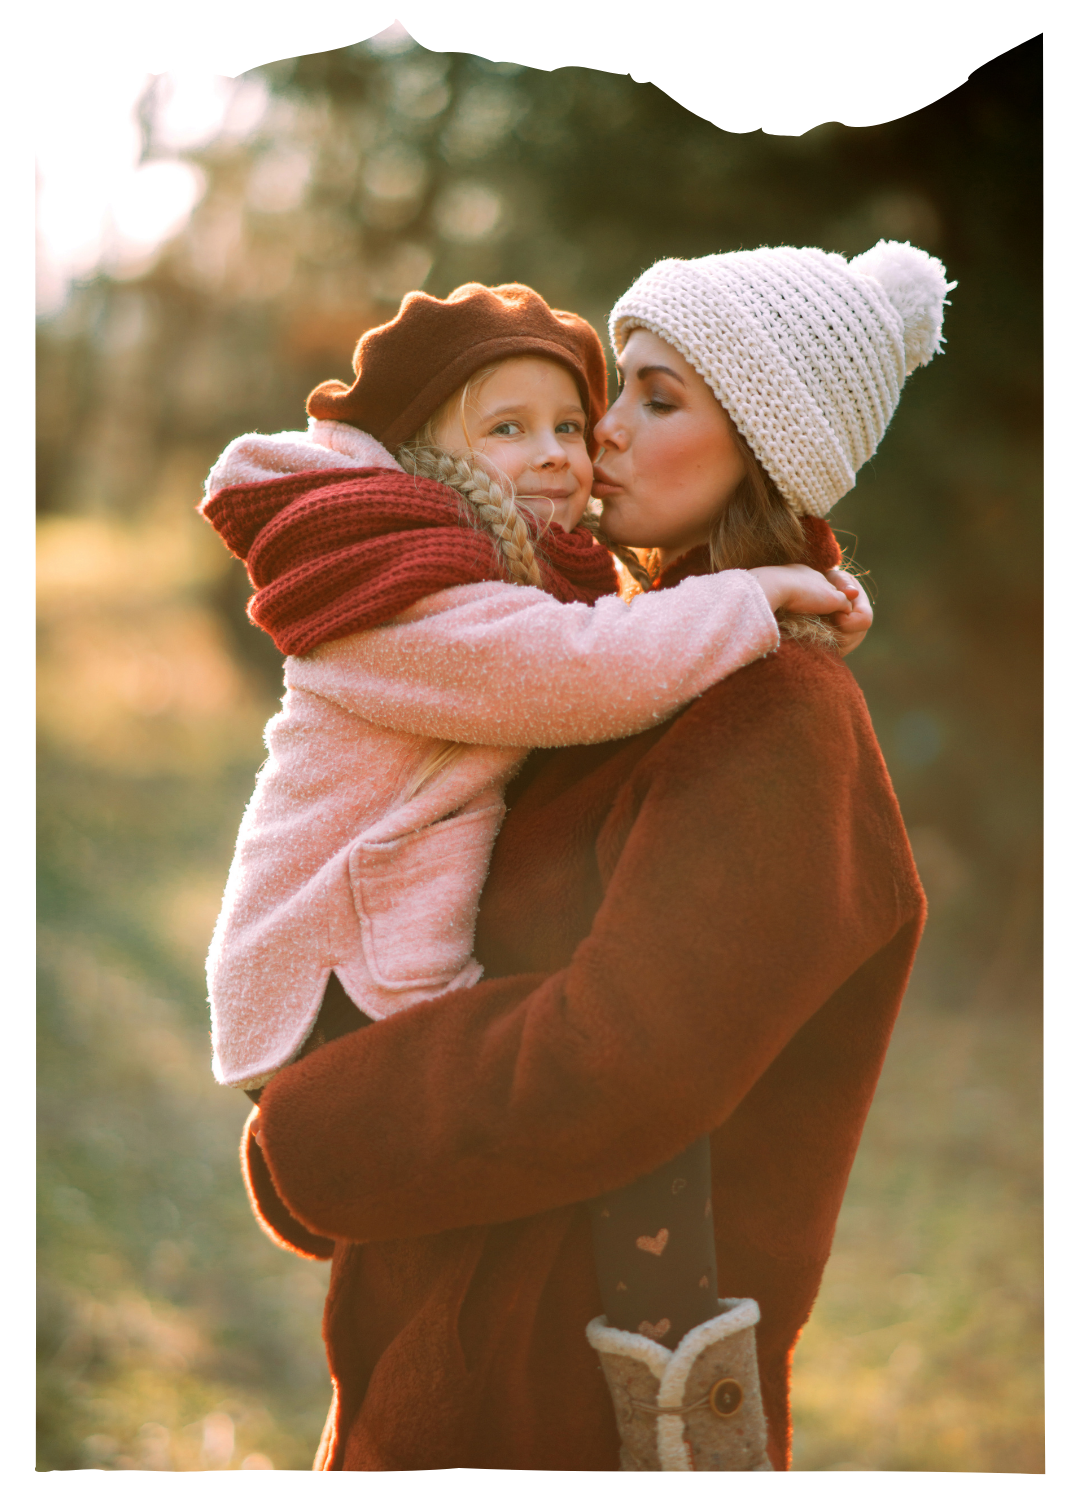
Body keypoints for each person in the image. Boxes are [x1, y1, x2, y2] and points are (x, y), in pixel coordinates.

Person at [239, 241, 949, 1472]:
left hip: (585, 1406)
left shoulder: (779, 717)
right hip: (454, 1372)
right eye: (613, 387)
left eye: (656, 398)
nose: (599, 433)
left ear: (767, 453)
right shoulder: (608, 667)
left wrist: (316, 1124)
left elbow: (619, 1063)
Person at [199, 282, 860, 1097]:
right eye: (507, 428)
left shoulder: (499, 569)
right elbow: (580, 667)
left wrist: (804, 581)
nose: (555, 452)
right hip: (336, 970)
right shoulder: (392, 586)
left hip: (381, 961)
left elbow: (622, 632)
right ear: (420, 460)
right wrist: (758, 597)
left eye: (569, 427)